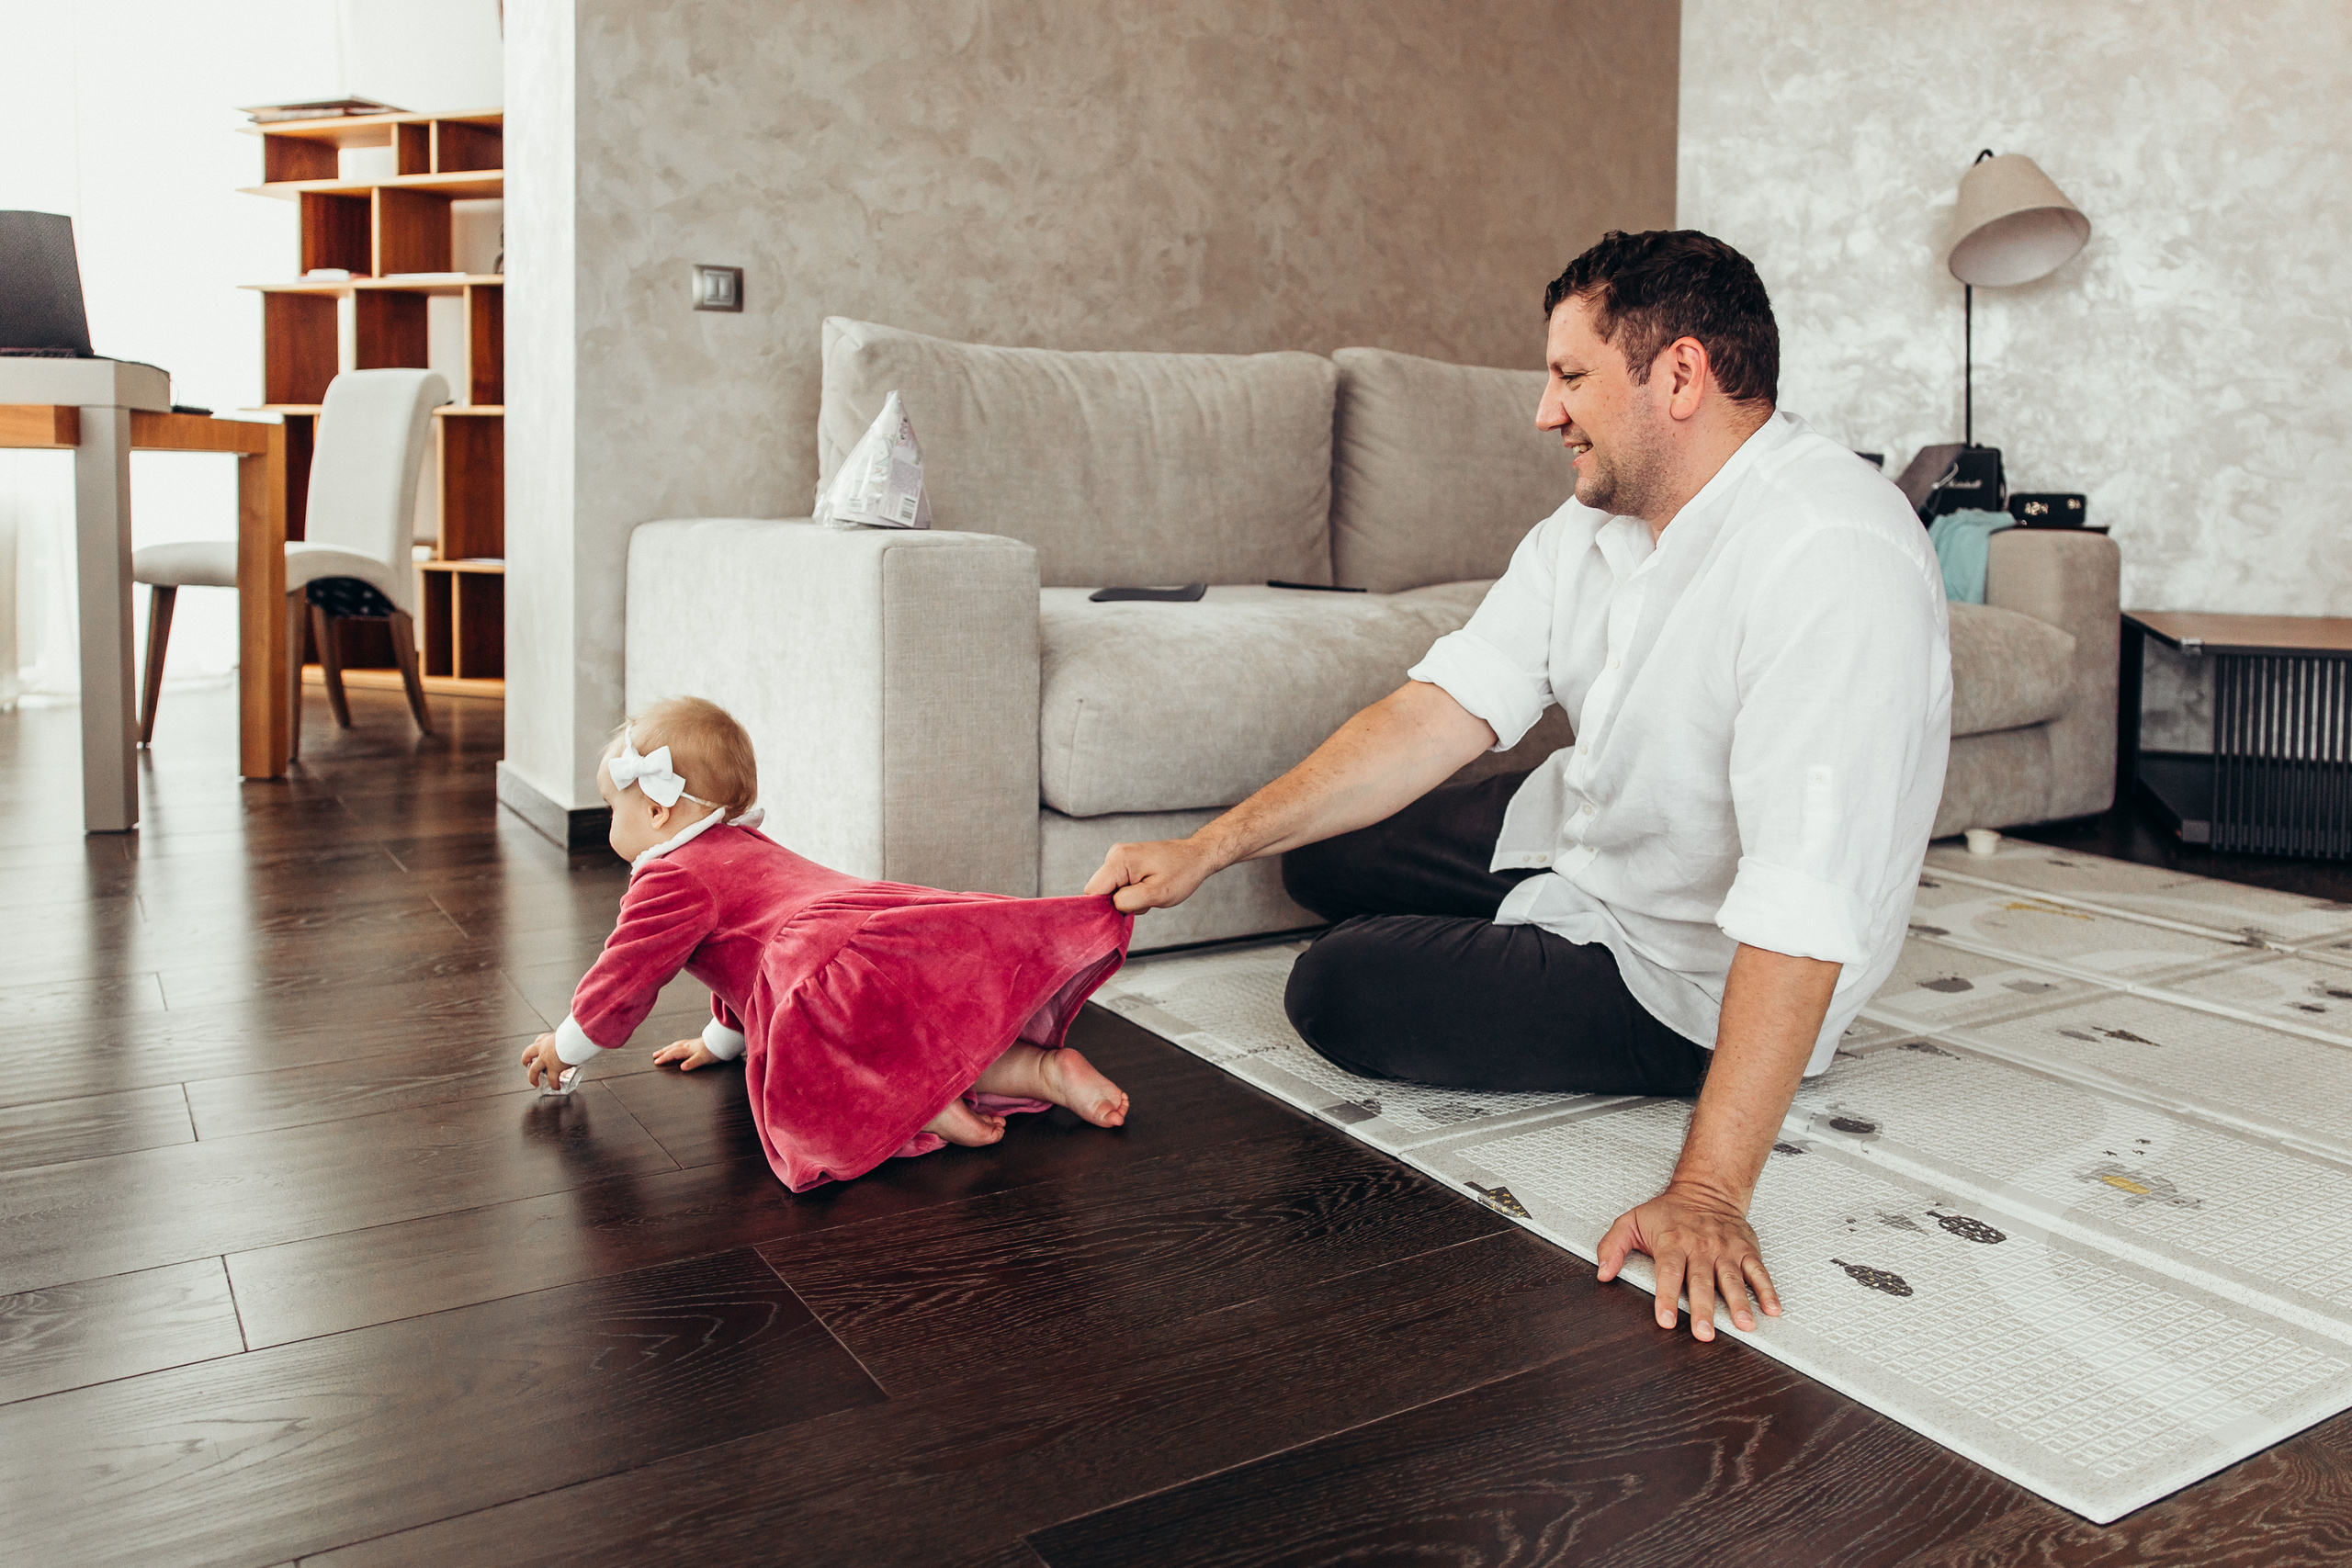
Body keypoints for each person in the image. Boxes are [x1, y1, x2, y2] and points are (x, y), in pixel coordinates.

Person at [1085, 230, 1951, 1341]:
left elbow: (1804, 896)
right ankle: (1488, 910)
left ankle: (1534, 961)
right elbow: (1434, 714)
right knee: (1311, 851)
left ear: (1679, 375)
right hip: (1594, 830)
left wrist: (1707, 1194)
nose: (1544, 413)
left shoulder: (1831, 554)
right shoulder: (1593, 526)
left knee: (1338, 987)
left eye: (1571, 376)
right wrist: (1209, 846)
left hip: (1682, 966)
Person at [521, 696, 1135, 1191]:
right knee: (923, 1028)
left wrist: (567, 1044)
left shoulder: (669, 877)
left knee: (830, 1072)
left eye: (611, 807)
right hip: (868, 928)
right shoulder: (737, 844)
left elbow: (625, 975)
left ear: (656, 811)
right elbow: (740, 955)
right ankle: (1047, 1072)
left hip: (813, 965)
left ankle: (920, 1106)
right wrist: (719, 1041)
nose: (609, 822)